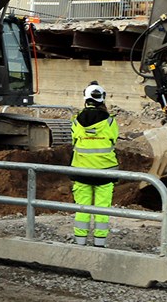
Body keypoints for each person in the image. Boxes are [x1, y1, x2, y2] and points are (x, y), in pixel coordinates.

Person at [70, 81, 119, 247]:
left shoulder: (76, 121)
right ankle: (99, 243)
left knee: (82, 208)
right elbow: (113, 141)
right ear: (102, 99)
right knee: (102, 209)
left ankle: (80, 241)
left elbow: (73, 142)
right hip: (105, 172)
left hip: (81, 170)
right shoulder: (110, 122)